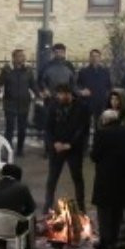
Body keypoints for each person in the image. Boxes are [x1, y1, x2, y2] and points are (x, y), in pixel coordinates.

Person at [89, 109, 125, 249]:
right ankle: (113, 241)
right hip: (123, 177)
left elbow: (95, 155)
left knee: (104, 212)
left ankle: (104, 241)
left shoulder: (102, 134)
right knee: (117, 211)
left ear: (105, 120)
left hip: (105, 178)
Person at [43, 84, 90, 213]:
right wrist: (54, 143)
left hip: (74, 149)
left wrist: (71, 144)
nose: (61, 97)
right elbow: (47, 128)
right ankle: (47, 205)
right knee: (52, 177)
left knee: (77, 177)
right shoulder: (53, 106)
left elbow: (83, 129)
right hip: (57, 148)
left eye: (63, 94)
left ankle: (81, 206)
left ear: (70, 94)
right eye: (59, 94)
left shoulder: (81, 107)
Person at [0, 163, 37, 249]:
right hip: (15, 227)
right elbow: (32, 207)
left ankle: (1, 248)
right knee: (32, 218)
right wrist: (22, 213)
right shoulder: (22, 187)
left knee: (1, 215)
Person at [0, 49, 42, 155]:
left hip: (24, 103)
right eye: (19, 56)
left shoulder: (28, 70)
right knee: (9, 128)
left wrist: (39, 94)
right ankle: (8, 149)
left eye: (23, 56)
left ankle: (20, 149)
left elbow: (33, 85)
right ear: (14, 58)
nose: (22, 58)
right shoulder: (7, 70)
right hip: (9, 103)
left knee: (22, 128)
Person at [77, 49, 113, 133]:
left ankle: (98, 144)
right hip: (87, 102)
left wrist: (108, 97)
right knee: (85, 126)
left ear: (100, 58)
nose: (95, 58)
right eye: (92, 56)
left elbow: (109, 86)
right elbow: (78, 85)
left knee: (100, 126)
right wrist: (82, 91)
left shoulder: (105, 72)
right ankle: (84, 144)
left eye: (97, 56)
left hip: (101, 102)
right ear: (89, 58)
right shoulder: (83, 72)